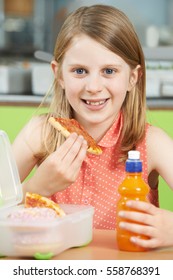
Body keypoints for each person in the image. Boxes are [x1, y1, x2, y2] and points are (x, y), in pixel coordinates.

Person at [12, 4, 173, 249]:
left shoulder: (152, 143)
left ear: (132, 78)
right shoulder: (40, 133)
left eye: (109, 71)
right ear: (59, 75)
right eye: (79, 71)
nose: (93, 86)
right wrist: (36, 188)